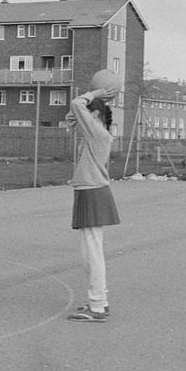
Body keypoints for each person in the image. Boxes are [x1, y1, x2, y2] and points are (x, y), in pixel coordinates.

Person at [65, 84, 122, 322]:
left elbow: (77, 105)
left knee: (92, 253)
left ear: (94, 114)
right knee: (89, 252)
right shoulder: (94, 133)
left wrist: (95, 94)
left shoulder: (97, 132)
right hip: (90, 190)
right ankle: (99, 301)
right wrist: (84, 106)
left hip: (93, 192)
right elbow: (72, 116)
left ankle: (97, 305)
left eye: (88, 113)